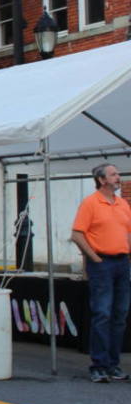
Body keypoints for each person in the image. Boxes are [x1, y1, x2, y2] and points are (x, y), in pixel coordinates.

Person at [70, 163, 131, 383]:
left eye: (118, 173)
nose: (118, 177)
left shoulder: (123, 203)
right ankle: (99, 365)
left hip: (122, 263)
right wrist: (94, 258)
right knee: (103, 314)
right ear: (102, 180)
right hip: (102, 263)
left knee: (120, 316)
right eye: (114, 174)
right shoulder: (91, 203)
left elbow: (127, 232)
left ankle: (113, 365)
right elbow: (77, 234)